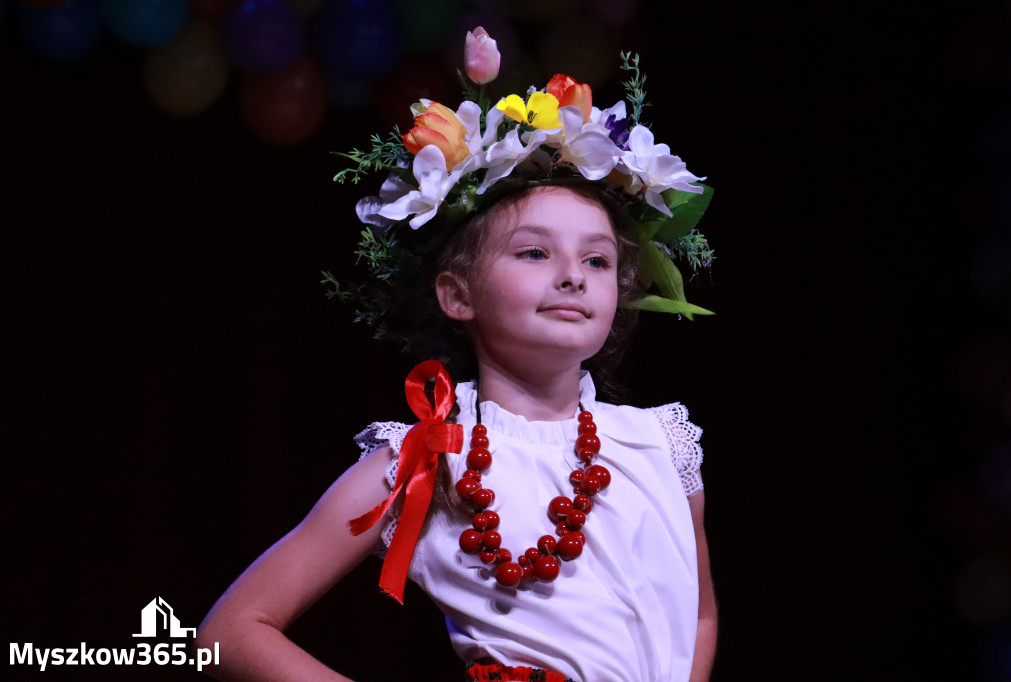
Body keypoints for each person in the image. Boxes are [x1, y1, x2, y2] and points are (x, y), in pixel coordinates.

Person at [197, 28, 718, 682]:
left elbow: (697, 615)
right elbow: (229, 632)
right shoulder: (421, 457)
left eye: (597, 259)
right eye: (534, 252)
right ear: (457, 294)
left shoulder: (660, 445)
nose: (572, 274)